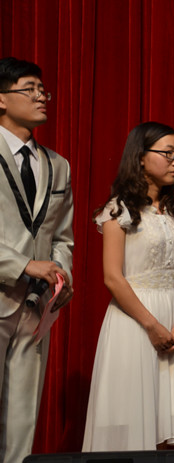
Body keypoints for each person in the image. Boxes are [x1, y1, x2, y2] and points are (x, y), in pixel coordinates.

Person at [82, 122, 174, 451]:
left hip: (172, 321)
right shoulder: (118, 211)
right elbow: (112, 277)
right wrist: (151, 325)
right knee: (131, 419)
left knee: (164, 421)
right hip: (134, 321)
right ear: (141, 158)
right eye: (168, 153)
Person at [0, 57, 74, 462]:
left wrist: (61, 271)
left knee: (22, 417)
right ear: (1, 99)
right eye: (29, 89)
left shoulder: (57, 165)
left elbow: (62, 235)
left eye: (43, 90)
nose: (41, 96)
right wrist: (23, 265)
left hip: (34, 307)